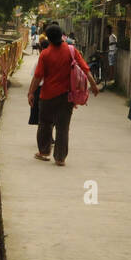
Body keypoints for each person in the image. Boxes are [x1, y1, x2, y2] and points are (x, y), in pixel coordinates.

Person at [27, 23, 100, 166]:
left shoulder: (45, 54)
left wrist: (30, 92)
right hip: (67, 97)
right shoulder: (71, 50)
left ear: (48, 38)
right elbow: (85, 68)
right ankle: (60, 158)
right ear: (62, 35)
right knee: (63, 127)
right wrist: (93, 84)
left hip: (47, 95)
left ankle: (43, 152)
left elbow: (38, 76)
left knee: (45, 124)